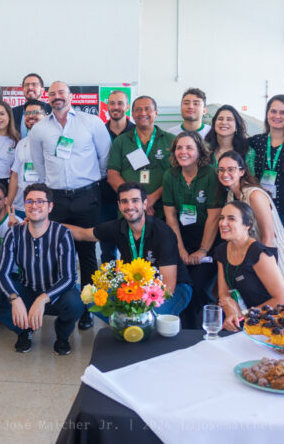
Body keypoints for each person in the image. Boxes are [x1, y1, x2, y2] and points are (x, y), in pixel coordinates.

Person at [28, 81, 112, 331]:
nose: (56, 97)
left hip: (87, 196)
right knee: (57, 254)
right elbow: (38, 165)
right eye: (52, 94)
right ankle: (59, 305)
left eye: (61, 92)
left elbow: (104, 157)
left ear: (71, 96)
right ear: (48, 98)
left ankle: (87, 309)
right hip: (56, 199)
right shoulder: (39, 129)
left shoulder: (91, 122)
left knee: (87, 256)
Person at [64, 182, 192, 317]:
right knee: (87, 296)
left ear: (144, 204)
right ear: (119, 205)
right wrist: (46, 224)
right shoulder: (117, 227)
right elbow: (82, 234)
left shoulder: (163, 233)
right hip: (134, 288)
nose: (130, 206)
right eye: (124, 201)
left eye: (135, 201)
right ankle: (127, 329)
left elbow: (168, 288)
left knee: (145, 317)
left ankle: (132, 326)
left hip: (175, 289)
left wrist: (137, 306)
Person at [0, 184, 84, 355]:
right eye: (29, 201)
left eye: (40, 201)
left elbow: (69, 277)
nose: (34, 205)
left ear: (50, 206)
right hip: (27, 289)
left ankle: (62, 335)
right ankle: (24, 331)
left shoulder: (62, 234)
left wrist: (43, 299)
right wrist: (15, 298)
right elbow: (2, 272)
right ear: (24, 206)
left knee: (76, 303)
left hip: (54, 293)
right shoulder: (14, 233)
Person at [217, 150, 284, 292]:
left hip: (272, 256)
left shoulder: (255, 195)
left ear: (242, 171)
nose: (225, 174)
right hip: (253, 255)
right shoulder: (231, 195)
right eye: (221, 170)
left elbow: (268, 236)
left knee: (283, 306)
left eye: (231, 169)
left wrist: (257, 266)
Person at [161, 131, 222, 327]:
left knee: (198, 285)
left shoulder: (211, 174)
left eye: (189, 148)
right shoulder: (170, 175)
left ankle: (199, 332)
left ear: (199, 152)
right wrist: (180, 250)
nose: (183, 152)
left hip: (208, 240)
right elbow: (170, 216)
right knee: (180, 284)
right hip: (180, 239)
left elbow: (214, 217)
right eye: (179, 147)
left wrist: (202, 250)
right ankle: (180, 330)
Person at [215, 202, 284, 331]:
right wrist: (231, 314)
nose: (223, 223)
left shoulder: (259, 253)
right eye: (222, 218)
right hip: (247, 316)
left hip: (276, 316)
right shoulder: (222, 250)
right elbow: (223, 293)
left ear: (248, 224)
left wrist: (244, 315)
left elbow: (283, 300)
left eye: (231, 219)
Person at [248, 95, 284, 245]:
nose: (277, 116)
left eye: (283, 112)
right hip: (260, 211)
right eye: (273, 111)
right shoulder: (256, 141)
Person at [107, 95, 174, 219]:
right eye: (138, 109)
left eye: (148, 109)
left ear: (156, 113)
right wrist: (136, 202)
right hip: (129, 211)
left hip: (163, 210)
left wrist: (151, 199)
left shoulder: (171, 140)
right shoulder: (121, 141)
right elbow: (112, 175)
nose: (143, 113)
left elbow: (176, 175)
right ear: (132, 114)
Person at [99, 90, 135, 262]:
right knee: (107, 249)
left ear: (127, 106)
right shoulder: (98, 131)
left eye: (120, 103)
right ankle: (108, 286)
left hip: (132, 199)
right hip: (105, 198)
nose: (116, 107)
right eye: (112, 103)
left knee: (132, 245)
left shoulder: (136, 132)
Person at [9, 99, 47, 218]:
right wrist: (8, 203)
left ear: (46, 116)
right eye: (27, 113)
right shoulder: (21, 143)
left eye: (36, 112)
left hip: (42, 206)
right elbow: (15, 176)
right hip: (20, 206)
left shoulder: (51, 141)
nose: (31, 116)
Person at [206, 104, 255, 173]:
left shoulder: (247, 152)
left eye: (229, 119)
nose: (224, 122)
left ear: (237, 127)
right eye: (220, 119)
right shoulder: (205, 149)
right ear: (214, 124)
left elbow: (250, 180)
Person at [11, 73, 51, 137]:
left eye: (34, 84)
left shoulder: (52, 111)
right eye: (26, 85)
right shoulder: (12, 112)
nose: (30, 87)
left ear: (42, 90)